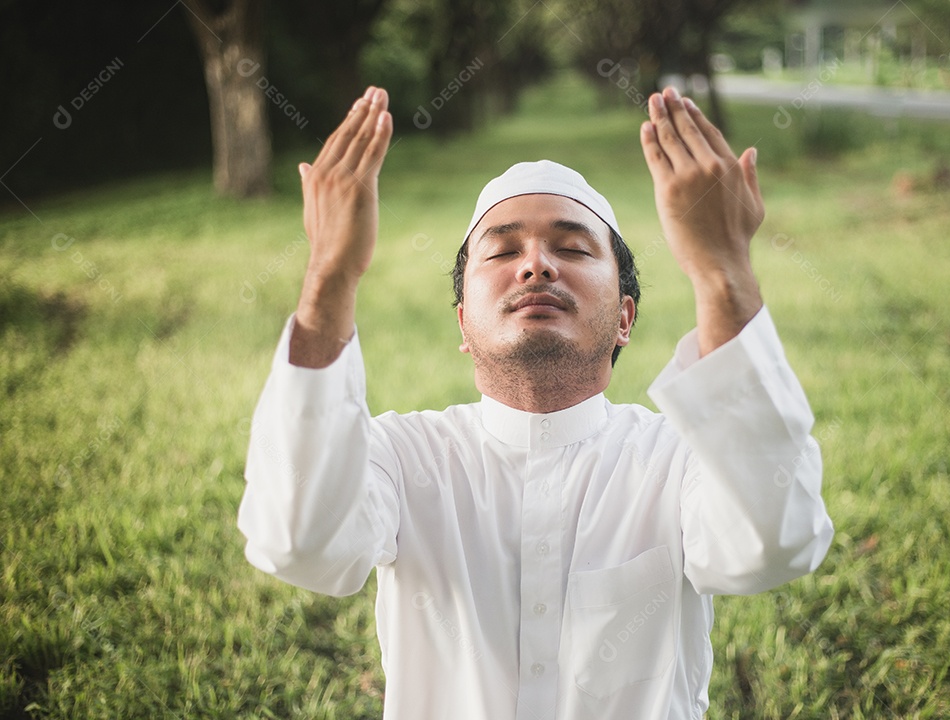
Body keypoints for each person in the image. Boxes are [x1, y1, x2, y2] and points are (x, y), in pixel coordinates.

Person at [239, 84, 833, 720]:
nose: (536, 267)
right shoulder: (401, 459)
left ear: (624, 317)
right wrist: (328, 275)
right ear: (464, 323)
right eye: (501, 250)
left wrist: (724, 272)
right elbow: (300, 544)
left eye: (573, 248)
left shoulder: (680, 460)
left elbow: (775, 544)